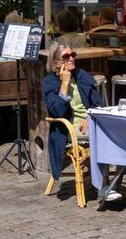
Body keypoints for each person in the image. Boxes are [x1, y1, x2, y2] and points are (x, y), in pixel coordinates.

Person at [42, 41, 120, 201]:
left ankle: (115, 178)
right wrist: (64, 84)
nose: (71, 59)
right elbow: (57, 111)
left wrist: (90, 117)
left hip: (90, 122)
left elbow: (98, 103)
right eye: (66, 56)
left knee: (120, 130)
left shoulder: (81, 75)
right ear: (56, 62)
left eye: (73, 55)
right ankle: (104, 187)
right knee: (103, 135)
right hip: (67, 128)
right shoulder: (49, 82)